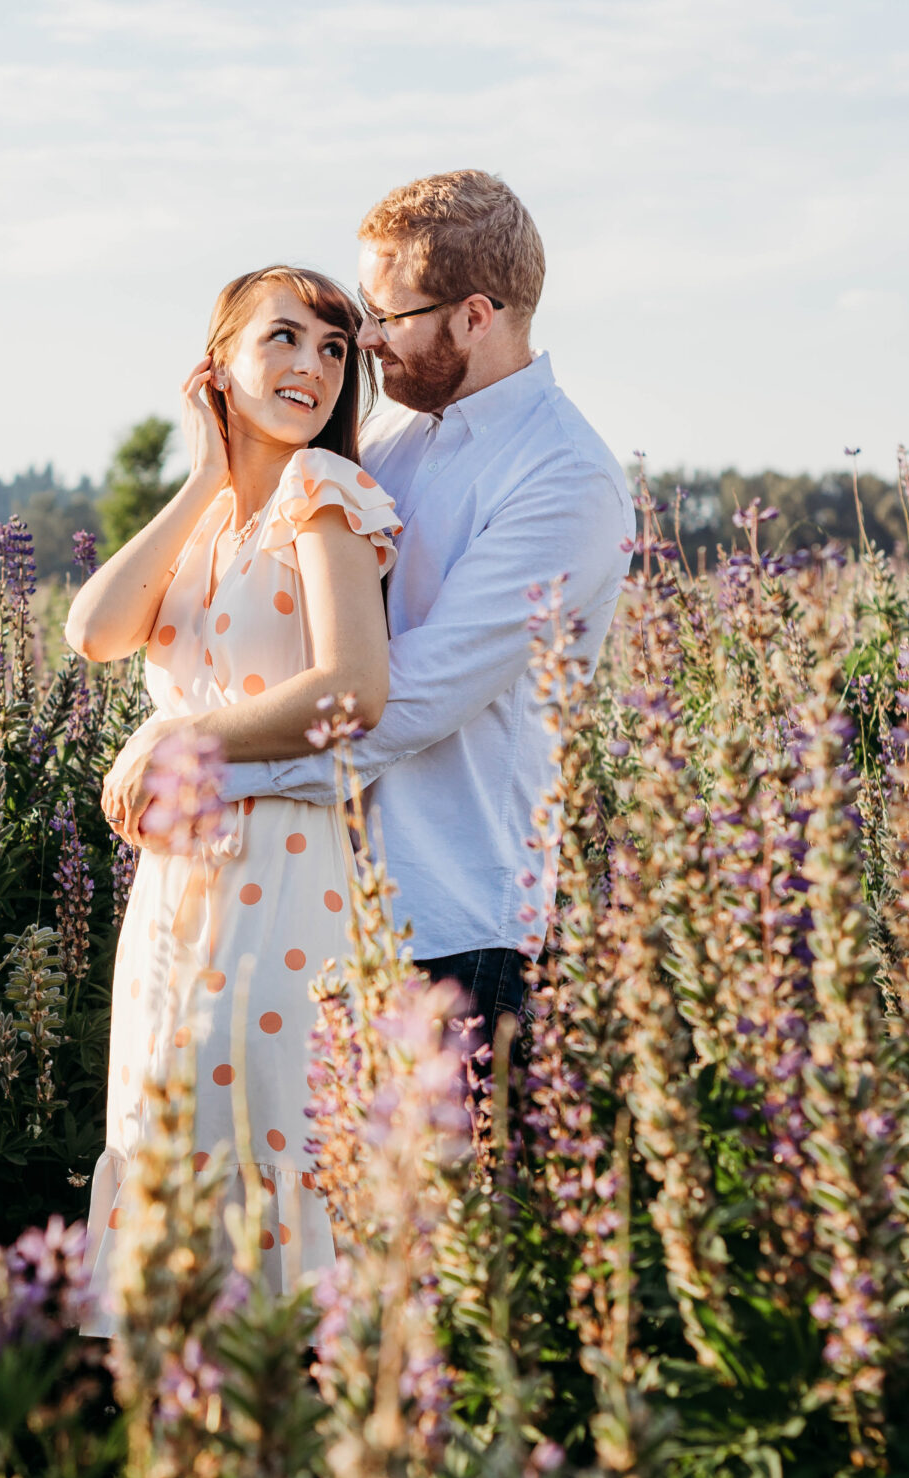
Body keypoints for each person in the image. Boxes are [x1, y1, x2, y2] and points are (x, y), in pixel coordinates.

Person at [215, 169, 635, 1035]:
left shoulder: (567, 477)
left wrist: (202, 764)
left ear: (474, 316)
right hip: (315, 896)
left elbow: (409, 697)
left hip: (454, 928)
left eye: (386, 316)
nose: (365, 340)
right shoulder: (390, 442)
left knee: (447, 1176)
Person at [64, 265, 400, 1323]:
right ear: (220, 366)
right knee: (171, 1134)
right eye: (284, 340)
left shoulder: (324, 494)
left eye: (334, 349)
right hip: (177, 887)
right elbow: (93, 633)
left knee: (267, 1134)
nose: (311, 366)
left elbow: (353, 686)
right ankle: (187, 1438)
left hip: (284, 868)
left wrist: (180, 735)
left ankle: (291, 1426)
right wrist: (204, 472)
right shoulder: (212, 520)